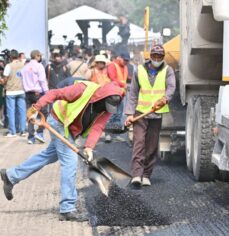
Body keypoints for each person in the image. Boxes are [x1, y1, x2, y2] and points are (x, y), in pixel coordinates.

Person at [0, 81, 124, 222]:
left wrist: (89, 147)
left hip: (70, 129)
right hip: (58, 121)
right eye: (106, 105)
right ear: (101, 97)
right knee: (70, 162)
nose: (106, 109)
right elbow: (54, 93)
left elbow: (98, 127)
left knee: (48, 156)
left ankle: (11, 176)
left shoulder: (108, 108)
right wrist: (36, 108)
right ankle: (67, 208)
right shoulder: (82, 89)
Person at [124, 44, 176, 187]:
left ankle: (146, 174)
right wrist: (129, 113)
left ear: (163, 57)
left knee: (152, 145)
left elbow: (171, 87)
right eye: (155, 56)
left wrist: (165, 98)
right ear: (150, 56)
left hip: (156, 113)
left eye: (160, 57)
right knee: (139, 143)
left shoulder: (168, 70)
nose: (157, 59)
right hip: (140, 113)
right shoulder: (139, 70)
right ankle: (136, 175)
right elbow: (133, 93)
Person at [21, 50, 49, 144]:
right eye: (40, 56)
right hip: (38, 94)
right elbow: (42, 80)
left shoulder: (25, 67)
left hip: (28, 93)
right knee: (45, 113)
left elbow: (23, 81)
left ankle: (31, 137)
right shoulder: (39, 66)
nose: (40, 57)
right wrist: (46, 92)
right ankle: (40, 132)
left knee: (31, 114)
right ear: (37, 56)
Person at [1, 49, 26, 137]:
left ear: (10, 57)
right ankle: (22, 130)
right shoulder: (23, 65)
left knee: (11, 112)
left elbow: (5, 80)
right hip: (21, 90)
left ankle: (12, 131)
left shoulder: (9, 66)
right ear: (18, 56)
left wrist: (1, 80)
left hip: (11, 91)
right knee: (22, 111)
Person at [105, 52, 129, 142]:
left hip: (120, 94)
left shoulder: (125, 67)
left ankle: (115, 135)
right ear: (119, 58)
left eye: (127, 61)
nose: (126, 62)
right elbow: (113, 78)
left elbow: (126, 78)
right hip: (112, 94)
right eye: (125, 60)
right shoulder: (112, 65)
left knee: (118, 115)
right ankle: (108, 134)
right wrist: (124, 84)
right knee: (111, 114)